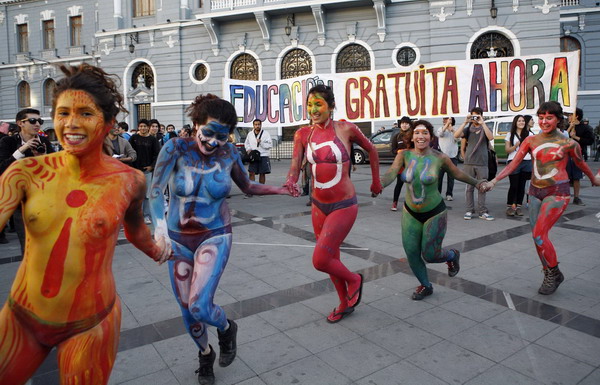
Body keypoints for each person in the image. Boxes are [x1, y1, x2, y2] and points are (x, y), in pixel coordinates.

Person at [0, 64, 171, 385]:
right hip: (21, 317)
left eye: (85, 113)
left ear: (108, 124)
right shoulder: (26, 173)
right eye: (63, 113)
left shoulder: (129, 181)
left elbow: (135, 231)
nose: (72, 123)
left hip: (92, 324)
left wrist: (156, 249)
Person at [149, 94, 298, 385]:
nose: (215, 141)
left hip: (215, 235)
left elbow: (248, 185)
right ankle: (205, 354)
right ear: (195, 125)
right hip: (178, 239)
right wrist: (159, 230)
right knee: (187, 309)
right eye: (209, 133)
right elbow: (154, 191)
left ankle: (227, 327)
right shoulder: (174, 149)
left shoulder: (229, 153)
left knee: (199, 306)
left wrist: (281, 190)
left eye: (222, 135)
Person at [284, 84, 382, 323]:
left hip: (344, 204)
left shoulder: (346, 128)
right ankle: (343, 303)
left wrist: (376, 182)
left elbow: (371, 150)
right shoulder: (302, 134)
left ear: (331, 106)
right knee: (331, 259)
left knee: (320, 259)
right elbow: (296, 165)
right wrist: (290, 181)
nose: (313, 109)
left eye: (318, 104)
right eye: (309, 104)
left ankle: (354, 280)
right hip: (318, 205)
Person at [483, 101, 600, 295]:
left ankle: (554, 273)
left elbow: (581, 164)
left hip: (557, 192)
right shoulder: (530, 140)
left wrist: (593, 179)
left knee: (539, 234)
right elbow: (513, 164)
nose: (544, 121)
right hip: (535, 192)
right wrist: (494, 181)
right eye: (541, 117)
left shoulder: (569, 143)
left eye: (549, 117)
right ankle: (548, 272)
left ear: (558, 119)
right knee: (537, 237)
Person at [381, 120, 485, 300]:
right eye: (417, 133)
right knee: (412, 253)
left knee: (430, 255)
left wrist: (478, 183)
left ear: (431, 136)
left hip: (434, 212)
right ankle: (425, 285)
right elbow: (392, 172)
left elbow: (457, 173)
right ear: (412, 136)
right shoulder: (404, 155)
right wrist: (380, 184)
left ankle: (452, 255)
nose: (421, 136)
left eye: (425, 133)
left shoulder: (440, 157)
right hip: (410, 213)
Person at [0, 108, 55, 251]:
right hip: (22, 202)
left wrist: (39, 157)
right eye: (32, 120)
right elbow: (2, 168)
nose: (37, 124)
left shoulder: (43, 141)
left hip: (45, 200)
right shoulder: (8, 141)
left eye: (39, 121)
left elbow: (55, 170)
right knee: (29, 247)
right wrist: (21, 150)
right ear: (20, 123)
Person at [454, 107, 495, 221]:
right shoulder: (467, 129)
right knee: (469, 188)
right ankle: (469, 210)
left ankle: (482, 211)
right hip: (469, 163)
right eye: (473, 116)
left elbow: (491, 137)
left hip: (482, 162)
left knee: (483, 187)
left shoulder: (485, 128)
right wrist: (465, 122)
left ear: (481, 115)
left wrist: (483, 122)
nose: (475, 118)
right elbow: (456, 135)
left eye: (477, 116)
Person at [129, 119, 161, 223]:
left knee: (147, 195)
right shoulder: (133, 138)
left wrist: (152, 166)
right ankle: (137, 215)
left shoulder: (152, 140)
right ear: (138, 127)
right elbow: (130, 153)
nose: (143, 128)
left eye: (145, 126)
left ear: (148, 127)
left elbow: (157, 154)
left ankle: (146, 215)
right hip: (135, 171)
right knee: (137, 194)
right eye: (141, 126)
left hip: (147, 170)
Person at [504, 115, 532, 216]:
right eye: (519, 121)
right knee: (514, 185)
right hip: (514, 161)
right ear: (515, 122)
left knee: (522, 185)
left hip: (527, 162)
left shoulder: (529, 134)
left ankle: (519, 207)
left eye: (523, 121)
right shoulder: (510, 134)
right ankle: (510, 206)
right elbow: (507, 150)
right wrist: (515, 146)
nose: (521, 122)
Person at [566, 108, 594, 205]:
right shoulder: (565, 126)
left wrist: (576, 137)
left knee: (576, 177)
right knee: (565, 177)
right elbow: (561, 136)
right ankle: (564, 197)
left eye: (570, 115)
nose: (568, 117)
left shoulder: (585, 128)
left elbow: (590, 141)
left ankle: (576, 197)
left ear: (576, 116)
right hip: (565, 155)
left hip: (577, 155)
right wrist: (570, 127)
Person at [390, 116, 412, 211]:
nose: (404, 125)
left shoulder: (413, 135)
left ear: (409, 124)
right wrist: (399, 151)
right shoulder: (397, 136)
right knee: (399, 184)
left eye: (406, 123)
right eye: (402, 123)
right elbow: (392, 150)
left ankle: (411, 205)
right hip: (400, 165)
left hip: (411, 164)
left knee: (411, 185)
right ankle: (394, 203)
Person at [436, 117, 459, 201]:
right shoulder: (441, 129)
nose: (446, 120)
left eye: (448, 119)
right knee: (439, 177)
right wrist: (446, 126)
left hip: (453, 157)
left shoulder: (456, 129)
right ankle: (438, 194)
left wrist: (452, 130)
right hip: (441, 157)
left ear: (452, 120)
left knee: (451, 177)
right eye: (445, 119)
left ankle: (449, 194)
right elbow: (440, 134)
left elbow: (458, 139)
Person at [244, 119, 272, 187]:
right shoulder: (250, 134)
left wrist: (261, 142)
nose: (257, 126)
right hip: (253, 155)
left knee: (262, 173)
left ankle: (261, 189)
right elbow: (246, 143)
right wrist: (248, 149)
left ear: (261, 125)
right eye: (256, 125)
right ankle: (251, 189)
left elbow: (270, 145)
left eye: (258, 124)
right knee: (251, 172)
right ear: (253, 125)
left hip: (263, 155)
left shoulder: (266, 133)